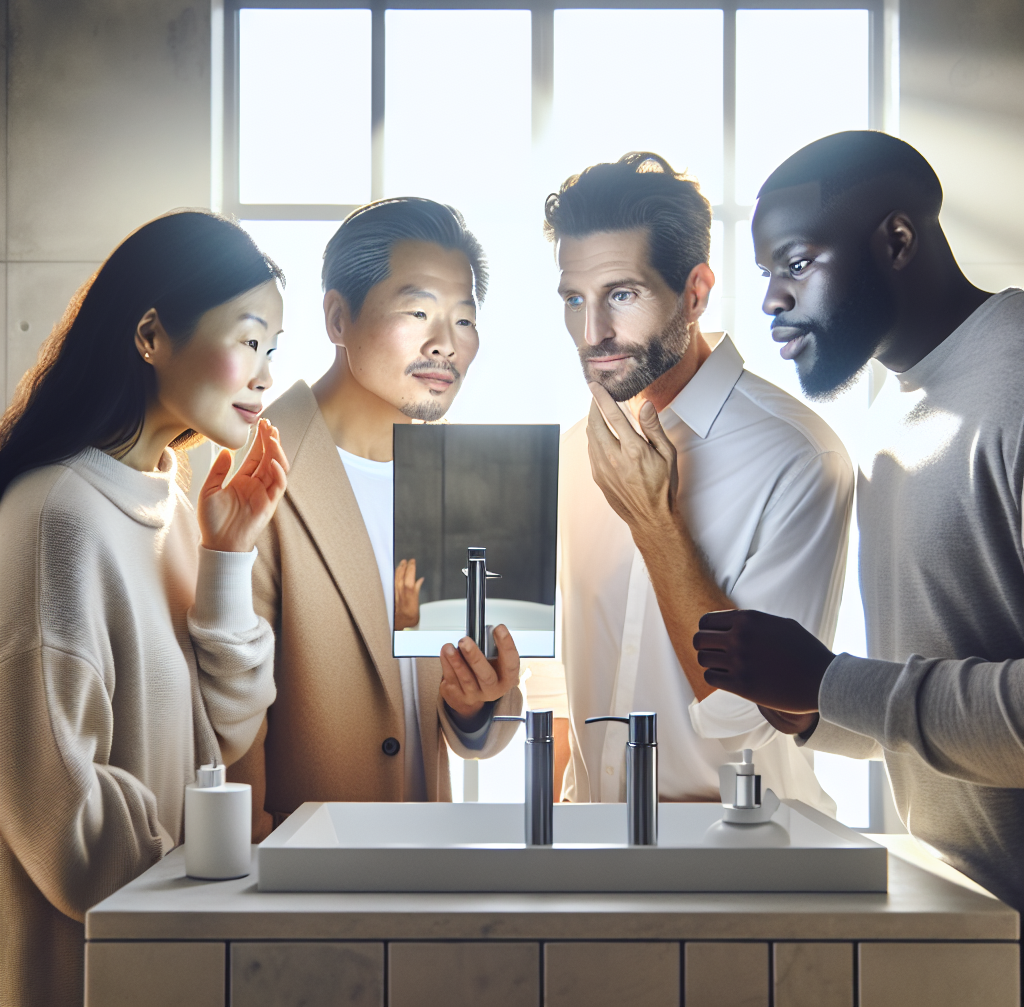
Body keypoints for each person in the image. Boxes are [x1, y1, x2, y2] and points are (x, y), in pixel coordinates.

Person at [694, 129, 1024, 911]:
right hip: (972, 916)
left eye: (797, 263)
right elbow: (935, 712)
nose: (774, 298)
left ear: (898, 239)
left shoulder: (1015, 386)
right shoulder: (888, 419)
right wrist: (816, 708)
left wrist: (831, 679)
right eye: (769, 273)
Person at [0, 210, 287, 1007]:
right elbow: (61, 816)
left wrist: (228, 559)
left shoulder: (173, 505)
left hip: (172, 951)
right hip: (96, 968)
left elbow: (222, 737)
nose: (265, 375)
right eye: (249, 339)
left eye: (274, 350)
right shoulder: (60, 514)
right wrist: (207, 866)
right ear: (152, 334)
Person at [546, 152, 853, 808]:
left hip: (742, 870)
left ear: (695, 291)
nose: (593, 332)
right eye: (575, 299)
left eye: (621, 295)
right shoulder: (575, 451)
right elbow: (570, 695)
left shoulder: (797, 456)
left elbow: (747, 716)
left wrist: (656, 522)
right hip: (587, 860)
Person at [228, 198, 522, 839]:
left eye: (464, 318)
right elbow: (224, 716)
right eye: (417, 311)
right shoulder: (247, 471)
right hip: (299, 880)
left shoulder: (461, 481)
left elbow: (482, 737)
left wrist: (474, 706)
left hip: (421, 870)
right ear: (338, 316)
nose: (445, 342)